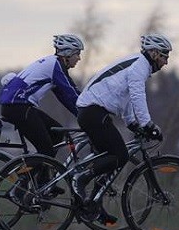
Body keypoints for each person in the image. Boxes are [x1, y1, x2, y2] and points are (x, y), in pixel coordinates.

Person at [73, 33, 172, 208]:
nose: (166, 62)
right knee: (120, 155)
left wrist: (131, 122)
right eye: (165, 55)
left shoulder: (137, 64)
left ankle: (93, 205)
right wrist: (147, 124)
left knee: (111, 161)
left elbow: (124, 96)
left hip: (93, 112)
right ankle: (81, 179)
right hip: (93, 112)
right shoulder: (139, 66)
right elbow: (137, 95)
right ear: (155, 53)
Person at [0, 34, 84, 159]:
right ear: (68, 53)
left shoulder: (52, 63)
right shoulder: (56, 66)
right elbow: (71, 92)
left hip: (16, 106)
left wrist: (81, 114)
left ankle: (42, 176)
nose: (79, 58)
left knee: (57, 132)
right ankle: (26, 175)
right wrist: (88, 114)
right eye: (77, 53)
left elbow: (65, 97)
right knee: (46, 152)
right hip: (19, 107)